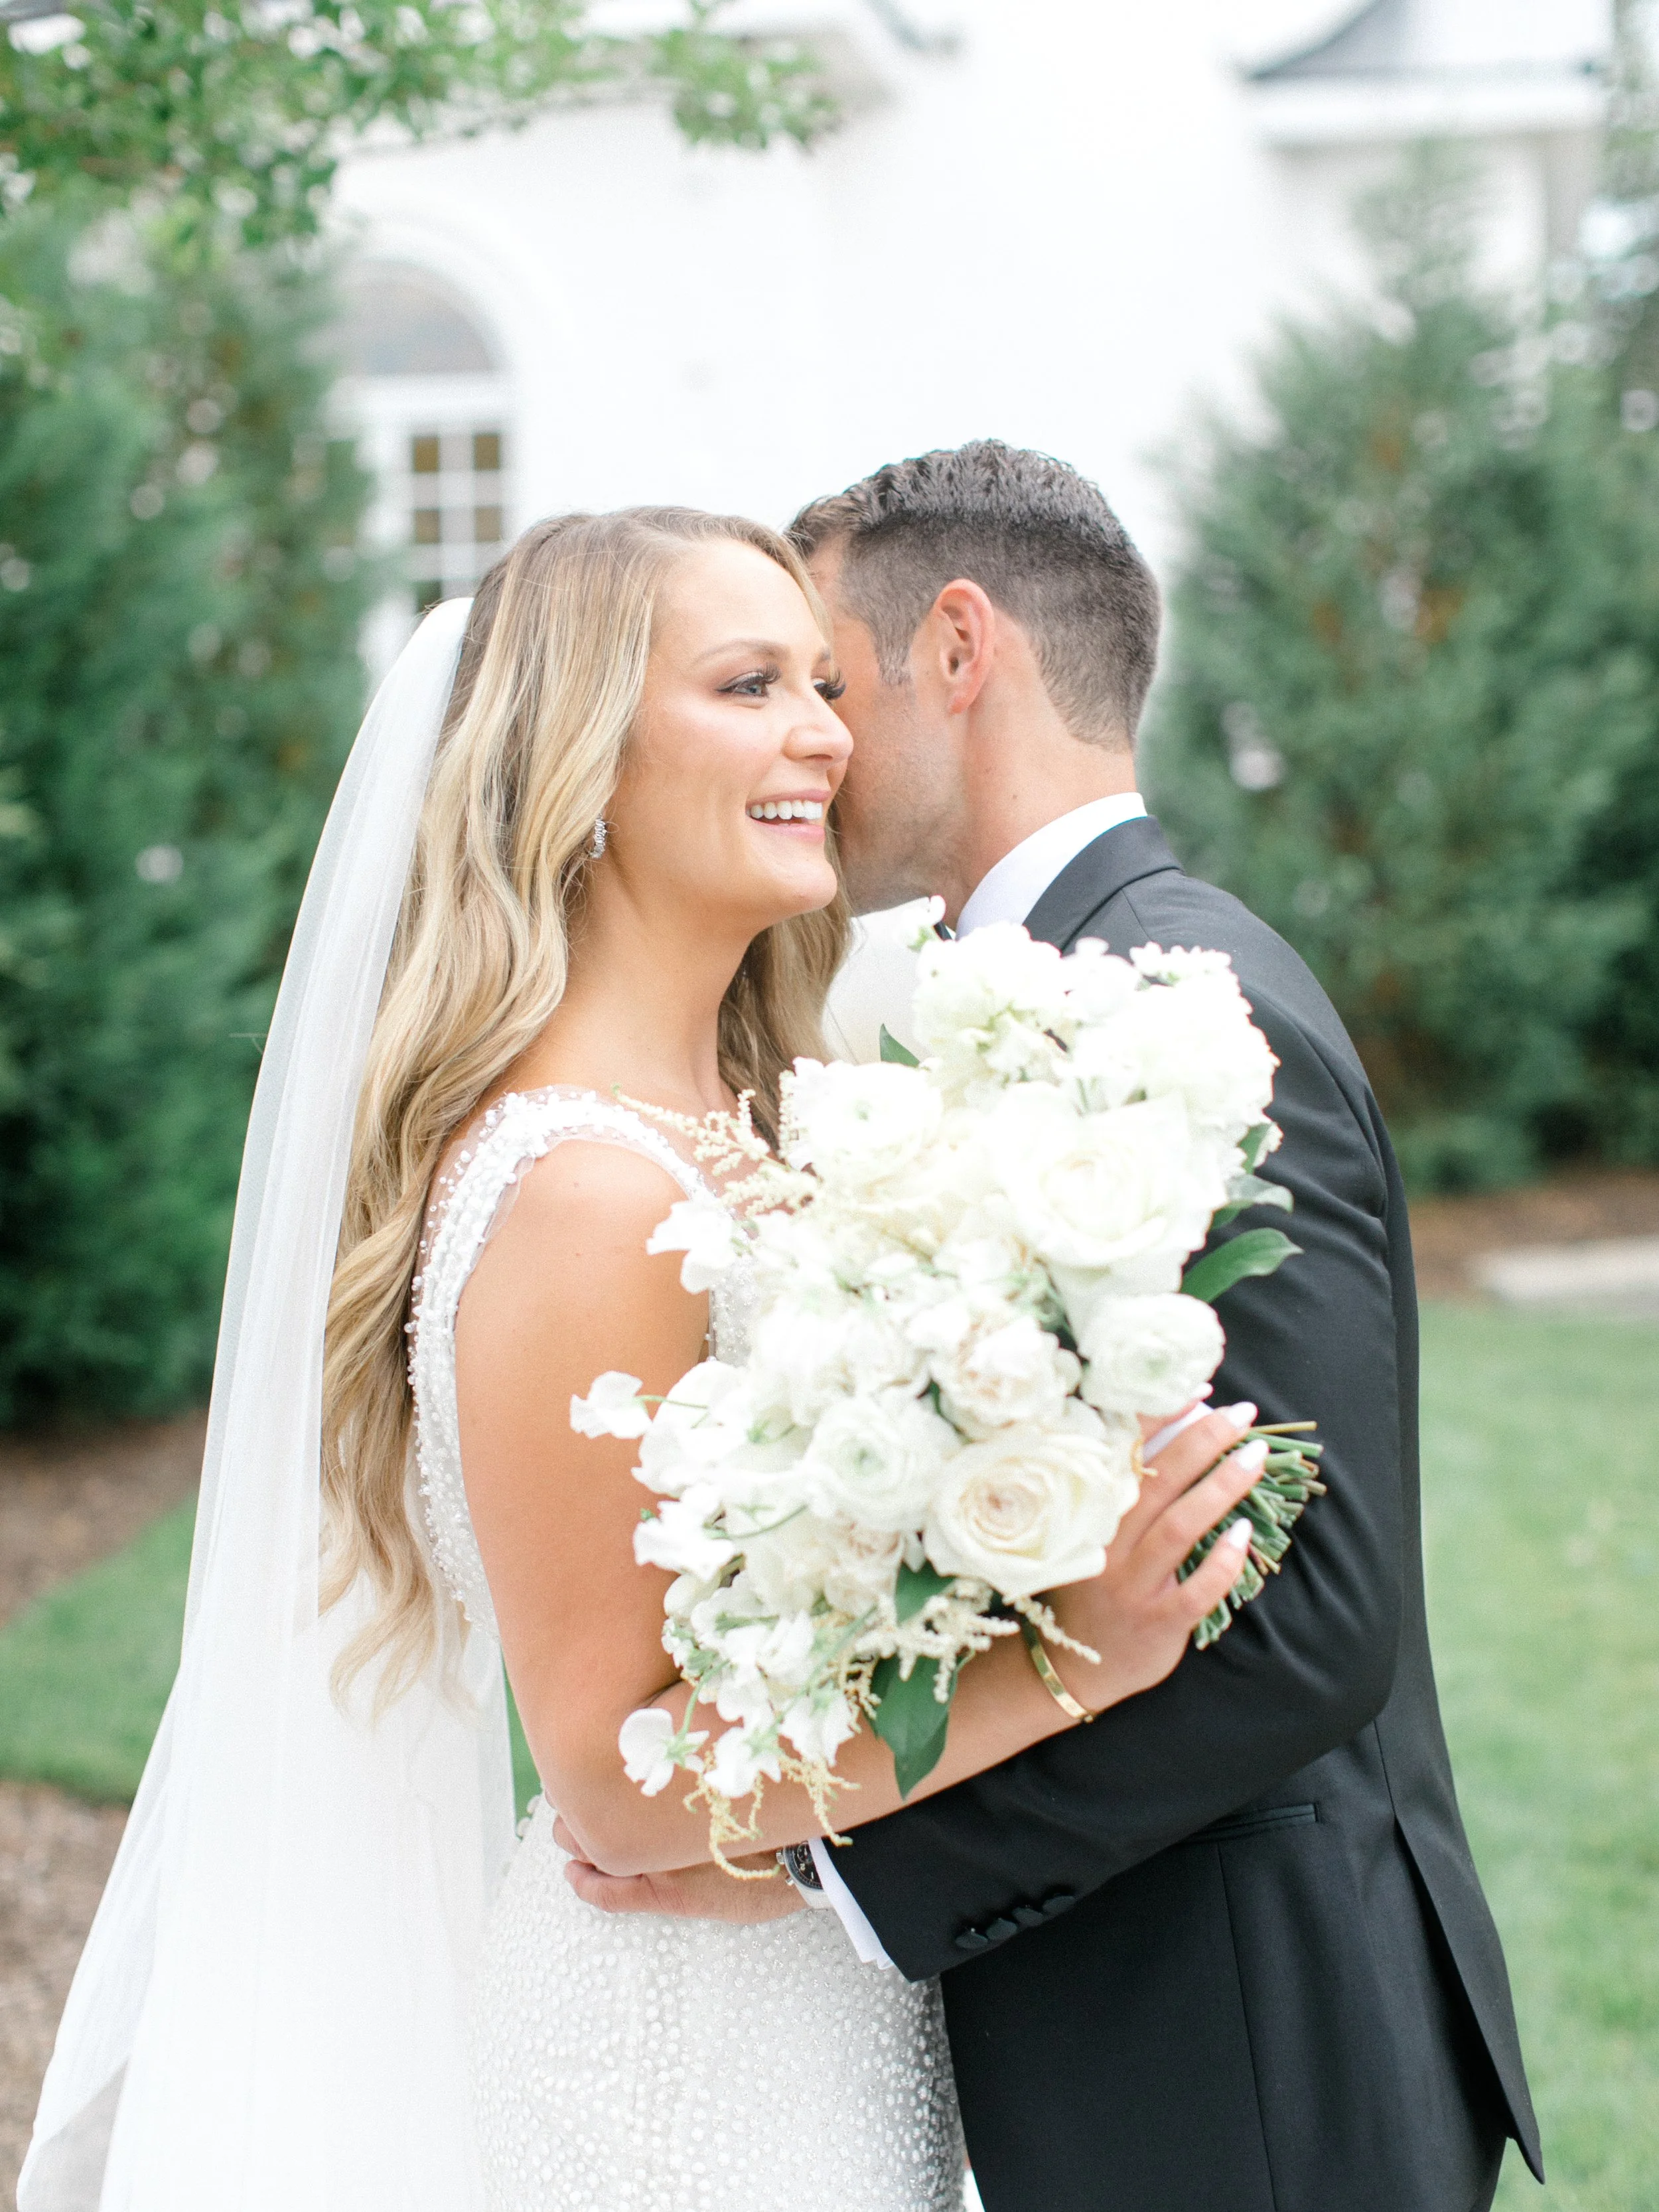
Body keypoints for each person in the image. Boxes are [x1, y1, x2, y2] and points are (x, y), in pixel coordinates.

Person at [21, 505, 1265, 2212]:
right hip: (678, 2080)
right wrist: (1086, 1661)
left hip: (826, 2007)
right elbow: (612, 1778)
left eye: (823, 684)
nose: (822, 733)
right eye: (748, 685)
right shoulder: (583, 1194)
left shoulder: (768, 1127)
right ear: (578, 761)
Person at [563, 447, 1545, 2212]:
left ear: (958, 650)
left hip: (1243, 2042)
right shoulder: (1053, 986)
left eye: (827, 684)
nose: (814, 745)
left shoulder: (1172, 999)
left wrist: (843, 1868)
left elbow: (1303, 1619)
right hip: (1148, 2031)